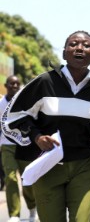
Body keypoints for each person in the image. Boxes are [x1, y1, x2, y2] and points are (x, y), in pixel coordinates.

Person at [0, 31, 90, 222]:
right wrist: (37, 137)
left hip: (83, 166)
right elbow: (15, 116)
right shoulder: (44, 82)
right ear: (64, 53)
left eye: (86, 45)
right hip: (47, 166)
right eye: (73, 44)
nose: (80, 48)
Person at [0, 75, 37, 222]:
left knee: (26, 179)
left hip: (24, 145)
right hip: (7, 145)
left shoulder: (26, 101)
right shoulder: (0, 104)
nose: (14, 86)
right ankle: (14, 215)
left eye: (17, 83)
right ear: (6, 85)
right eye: (11, 83)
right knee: (10, 178)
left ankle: (32, 208)